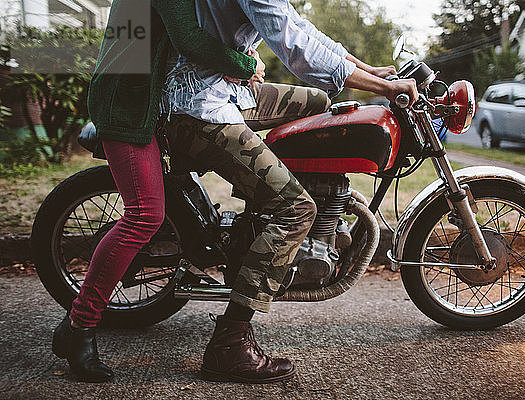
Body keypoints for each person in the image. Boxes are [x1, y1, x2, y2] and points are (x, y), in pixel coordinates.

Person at [160, 0, 418, 384]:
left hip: (227, 91)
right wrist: (385, 87)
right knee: (296, 208)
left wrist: (369, 70)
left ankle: (262, 225)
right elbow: (294, 44)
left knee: (321, 103)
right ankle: (229, 344)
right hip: (199, 107)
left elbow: (301, 26)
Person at [51, 0, 260, 383]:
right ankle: (77, 326)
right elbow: (189, 38)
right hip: (127, 108)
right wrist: (247, 65)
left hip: (148, 102)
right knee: (145, 215)